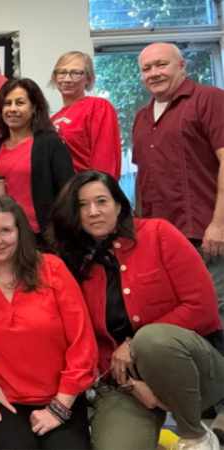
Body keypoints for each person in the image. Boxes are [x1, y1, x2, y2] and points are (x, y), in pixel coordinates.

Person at [48, 170, 224, 450]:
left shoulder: (158, 233)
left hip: (195, 370)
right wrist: (133, 385)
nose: (93, 211)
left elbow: (202, 309)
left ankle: (195, 437)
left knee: (151, 339)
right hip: (129, 387)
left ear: (119, 205)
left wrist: (132, 344)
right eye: (82, 205)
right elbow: (89, 341)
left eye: (101, 201)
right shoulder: (76, 264)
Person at [0, 195, 97, 450]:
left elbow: (82, 342)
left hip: (60, 396)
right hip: (2, 400)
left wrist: (60, 407)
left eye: (6, 230)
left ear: (20, 232)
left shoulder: (52, 268)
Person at [132, 43, 224, 326]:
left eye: (162, 64)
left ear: (182, 66)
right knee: (177, 316)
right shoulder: (142, 117)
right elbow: (143, 177)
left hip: (205, 235)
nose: (154, 73)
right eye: (147, 68)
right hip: (162, 239)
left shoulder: (209, 99)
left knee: (213, 316)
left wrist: (219, 223)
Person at [0, 78, 74, 236]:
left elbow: (68, 192)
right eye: (7, 103)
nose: (12, 109)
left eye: (19, 103)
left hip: (42, 236)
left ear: (34, 108)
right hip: (3, 235)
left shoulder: (51, 143)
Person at [50, 51, 121, 179]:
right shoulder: (51, 120)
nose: (67, 79)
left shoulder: (98, 107)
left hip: (86, 190)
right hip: (62, 193)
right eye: (62, 72)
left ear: (88, 78)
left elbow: (105, 156)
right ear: (55, 77)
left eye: (76, 73)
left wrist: (99, 189)